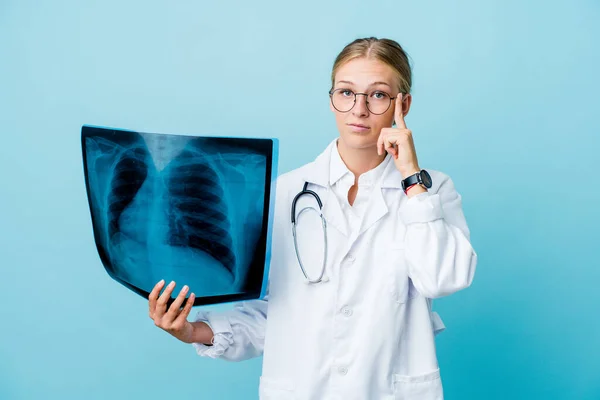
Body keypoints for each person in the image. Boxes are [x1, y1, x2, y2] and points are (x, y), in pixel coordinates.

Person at [147, 37, 477, 400]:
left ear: (404, 105)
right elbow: (275, 314)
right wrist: (193, 331)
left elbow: (442, 279)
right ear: (332, 100)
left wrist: (412, 178)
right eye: (346, 92)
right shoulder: (284, 193)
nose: (359, 109)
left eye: (378, 95)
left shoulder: (430, 191)